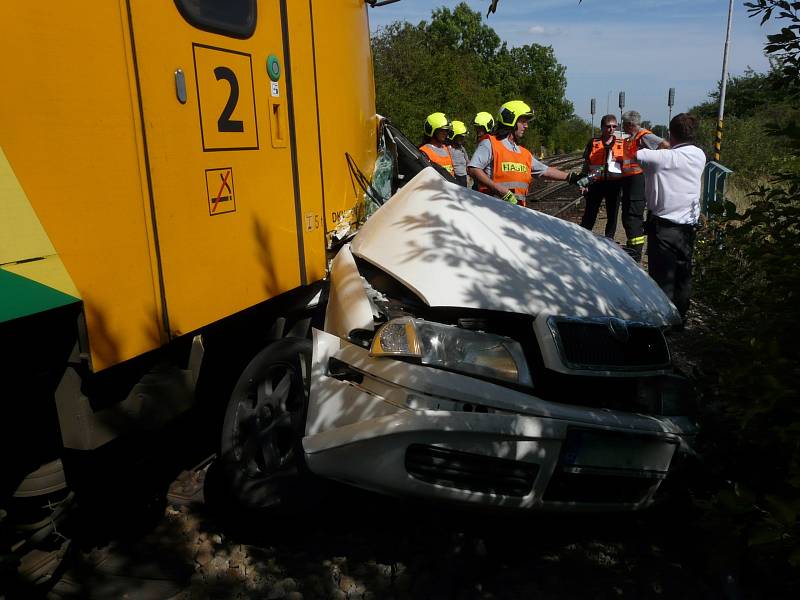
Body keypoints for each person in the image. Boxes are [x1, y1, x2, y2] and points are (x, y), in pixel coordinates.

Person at [637, 113, 705, 326]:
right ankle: (681, 317)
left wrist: (643, 134)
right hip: (688, 228)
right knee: (683, 274)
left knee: (662, 275)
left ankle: (663, 321)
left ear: (670, 133)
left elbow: (636, 153)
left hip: (664, 227)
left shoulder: (659, 158)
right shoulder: (699, 155)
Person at [467, 100, 581, 207]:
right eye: (523, 121)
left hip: (516, 211)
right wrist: (498, 189)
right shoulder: (490, 143)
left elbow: (544, 171)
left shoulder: (523, 153)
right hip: (492, 208)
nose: (526, 126)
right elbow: (473, 169)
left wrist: (570, 177)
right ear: (510, 119)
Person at [619, 110, 670, 261]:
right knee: (628, 215)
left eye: (624, 124)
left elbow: (664, 145)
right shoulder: (632, 138)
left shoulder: (644, 135)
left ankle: (635, 253)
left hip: (638, 181)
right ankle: (632, 248)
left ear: (630, 124)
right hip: (630, 180)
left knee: (633, 216)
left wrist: (653, 162)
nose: (622, 126)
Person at [580, 114, 625, 237]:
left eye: (614, 126)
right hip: (596, 184)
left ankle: (609, 240)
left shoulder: (622, 144)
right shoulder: (593, 143)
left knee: (612, 216)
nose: (612, 129)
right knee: (590, 214)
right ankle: (583, 237)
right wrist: (583, 183)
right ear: (602, 127)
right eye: (608, 126)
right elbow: (586, 165)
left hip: (614, 185)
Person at [447, 120, 470, 187]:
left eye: (463, 137)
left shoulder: (461, 148)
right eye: (460, 137)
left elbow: (467, 160)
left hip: (464, 177)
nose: (462, 139)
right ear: (453, 135)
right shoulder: (447, 149)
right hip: (454, 178)